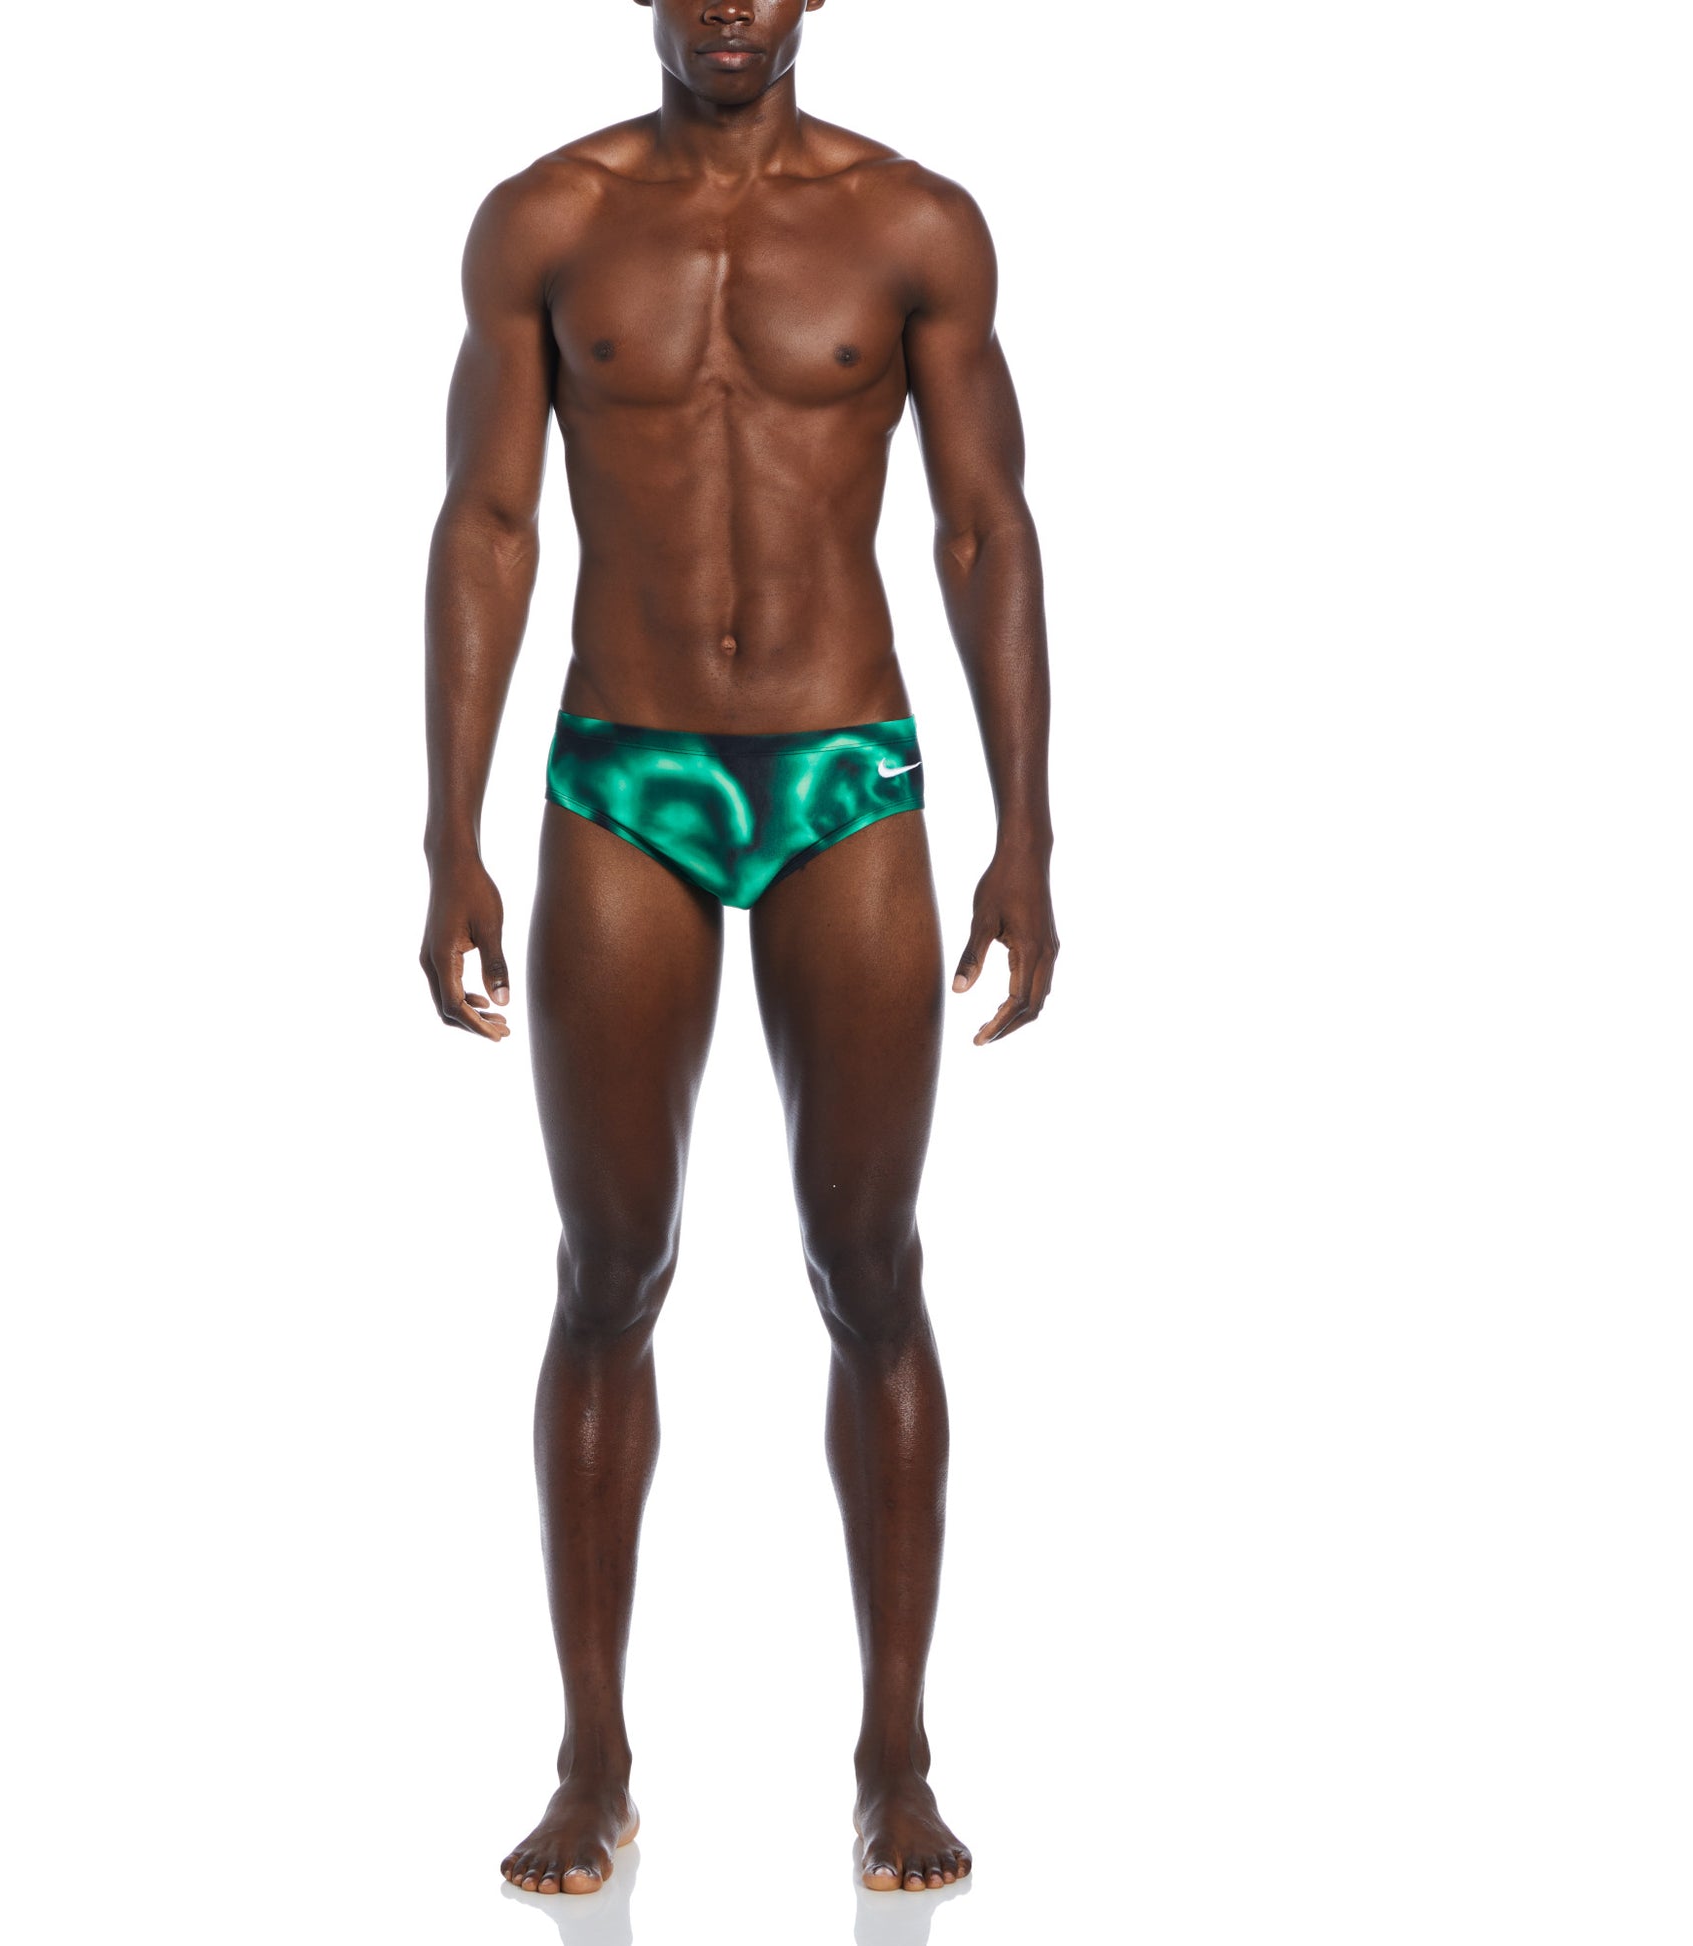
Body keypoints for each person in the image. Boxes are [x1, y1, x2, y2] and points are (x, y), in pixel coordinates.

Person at [420, 0, 1057, 1897]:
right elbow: (486, 525)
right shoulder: (546, 219)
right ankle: (590, 1761)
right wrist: (448, 828)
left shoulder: (913, 223)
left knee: (869, 1269)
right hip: (621, 775)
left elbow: (983, 528)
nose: (727, 9)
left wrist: (1026, 828)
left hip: (842, 770)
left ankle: (894, 1756)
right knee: (607, 1271)